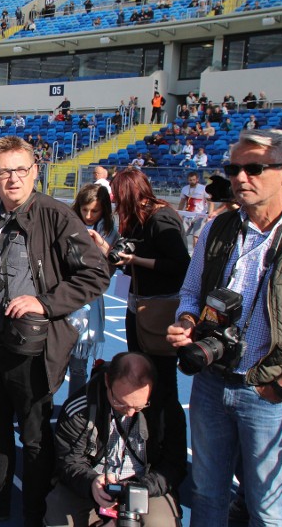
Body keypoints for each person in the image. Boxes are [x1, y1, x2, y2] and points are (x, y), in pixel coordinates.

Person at [0, 137, 110, 526]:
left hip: (33, 347)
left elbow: (96, 273)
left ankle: (34, 512)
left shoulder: (55, 214)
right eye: (4, 171)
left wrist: (45, 303)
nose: (14, 178)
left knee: (34, 438)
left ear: (35, 171)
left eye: (22, 170)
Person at [167, 129, 282, 526]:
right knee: (207, 492)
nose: (240, 178)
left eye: (254, 168)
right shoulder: (218, 228)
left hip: (268, 390)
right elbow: (190, 293)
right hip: (211, 379)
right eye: (233, 169)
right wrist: (186, 323)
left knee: (266, 509)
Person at [45, 352, 186, 526]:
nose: (129, 412)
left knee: (161, 524)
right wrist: (91, 483)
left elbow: (174, 465)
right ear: (107, 382)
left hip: (145, 484)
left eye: (140, 406)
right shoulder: (80, 409)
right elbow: (68, 462)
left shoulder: (167, 409)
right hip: (91, 479)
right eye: (121, 403)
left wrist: (144, 487)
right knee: (60, 519)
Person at [95, 169, 190, 405]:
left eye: (118, 194)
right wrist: (106, 249)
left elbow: (180, 264)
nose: (115, 201)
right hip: (137, 303)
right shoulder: (136, 218)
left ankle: (166, 437)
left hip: (158, 307)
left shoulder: (160, 219)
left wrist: (136, 260)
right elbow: (126, 259)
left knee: (162, 379)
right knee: (139, 366)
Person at [67, 184, 118, 395]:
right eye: (84, 209)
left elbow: (110, 271)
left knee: (78, 365)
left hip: (89, 303)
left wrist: (102, 247)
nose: (88, 215)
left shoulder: (109, 232)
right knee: (52, 361)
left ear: (104, 209)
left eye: (94, 211)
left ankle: (75, 410)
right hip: (64, 296)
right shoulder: (66, 223)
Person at [179, 170, 210, 247]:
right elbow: (182, 202)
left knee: (196, 237)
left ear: (197, 179)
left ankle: (194, 256)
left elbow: (210, 202)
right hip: (187, 215)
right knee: (180, 235)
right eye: (190, 180)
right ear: (187, 180)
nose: (192, 181)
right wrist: (179, 213)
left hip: (200, 215)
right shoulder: (185, 189)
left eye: (193, 180)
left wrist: (209, 214)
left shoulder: (203, 188)